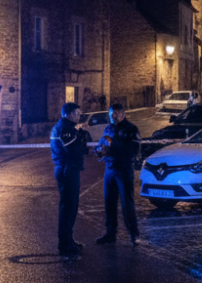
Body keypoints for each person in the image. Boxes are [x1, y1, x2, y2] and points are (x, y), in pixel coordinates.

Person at [94, 103, 141, 246]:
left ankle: (134, 234)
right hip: (109, 169)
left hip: (123, 169)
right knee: (109, 202)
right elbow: (101, 144)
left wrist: (113, 147)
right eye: (110, 114)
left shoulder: (131, 129)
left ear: (123, 114)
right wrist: (99, 150)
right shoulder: (108, 128)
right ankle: (110, 233)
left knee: (127, 204)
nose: (113, 116)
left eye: (115, 113)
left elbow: (134, 150)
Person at [50, 102, 91, 257]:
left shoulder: (65, 127)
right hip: (67, 169)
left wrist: (79, 132)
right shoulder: (65, 129)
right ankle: (64, 243)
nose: (78, 116)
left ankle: (68, 239)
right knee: (68, 206)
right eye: (77, 113)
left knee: (71, 205)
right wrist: (82, 137)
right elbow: (74, 150)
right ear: (68, 114)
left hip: (67, 168)